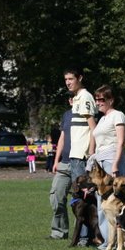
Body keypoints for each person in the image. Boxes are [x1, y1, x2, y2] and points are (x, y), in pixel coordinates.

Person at [89, 84, 125, 249]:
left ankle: (121, 241)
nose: (98, 102)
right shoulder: (102, 119)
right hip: (100, 160)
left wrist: (116, 164)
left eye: (101, 99)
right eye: (96, 99)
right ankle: (108, 241)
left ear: (111, 100)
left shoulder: (118, 115)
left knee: (116, 202)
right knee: (102, 202)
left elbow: (120, 141)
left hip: (112, 160)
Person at [48, 96, 74, 240]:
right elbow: (62, 138)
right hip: (64, 162)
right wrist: (56, 160)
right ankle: (59, 232)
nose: (73, 100)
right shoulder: (67, 115)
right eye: (71, 98)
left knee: (82, 202)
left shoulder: (88, 114)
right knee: (56, 197)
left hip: (81, 163)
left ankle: (83, 236)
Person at [65, 68, 97, 183]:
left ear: (80, 78)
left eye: (71, 79)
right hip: (76, 153)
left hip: (82, 154)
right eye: (66, 79)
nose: (68, 82)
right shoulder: (77, 98)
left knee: (82, 190)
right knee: (77, 189)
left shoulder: (85, 97)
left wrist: (91, 152)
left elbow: (93, 127)